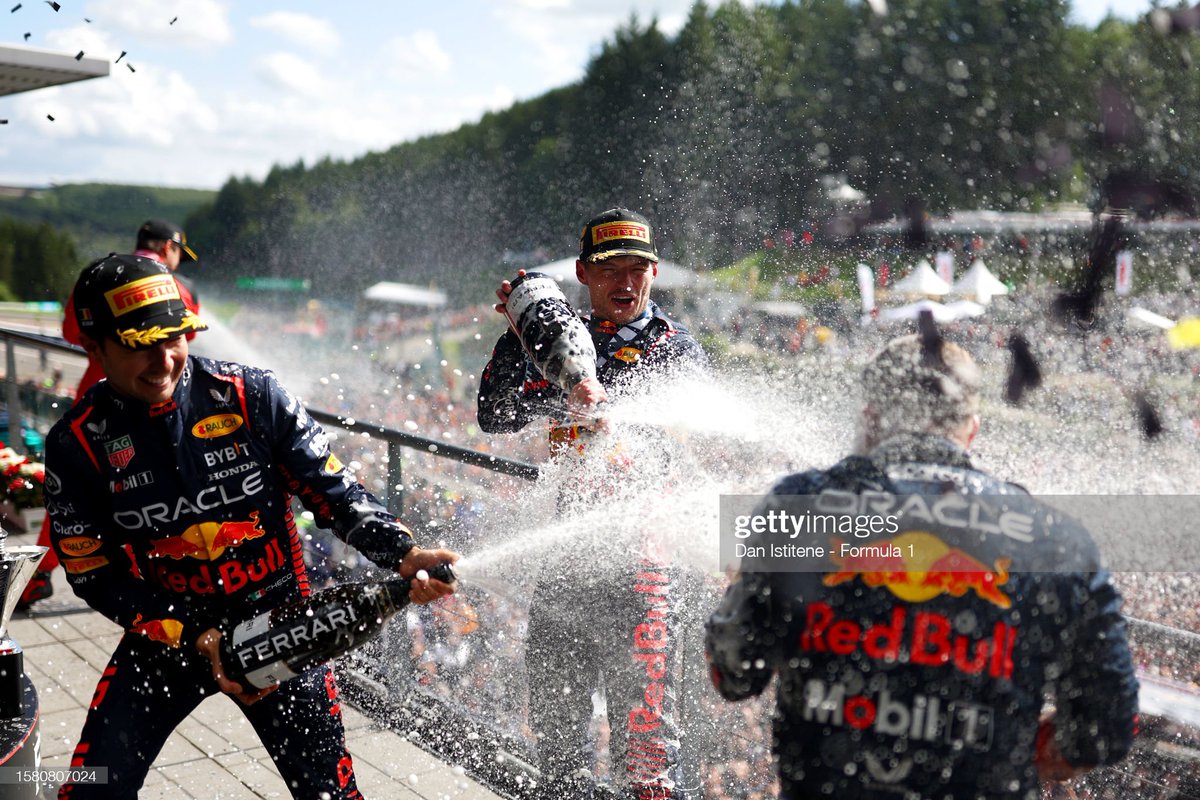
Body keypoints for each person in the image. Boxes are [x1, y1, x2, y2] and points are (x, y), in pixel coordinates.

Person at [43, 254, 458, 799]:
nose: (163, 360)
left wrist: (402, 552)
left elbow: (333, 491)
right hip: (169, 634)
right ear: (93, 349)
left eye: (174, 337)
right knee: (92, 790)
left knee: (330, 795)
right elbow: (93, 574)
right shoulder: (75, 444)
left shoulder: (252, 394)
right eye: (138, 344)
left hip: (281, 624)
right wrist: (196, 635)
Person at [704, 330, 1139, 799]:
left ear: (869, 420)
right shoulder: (1057, 540)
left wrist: (744, 587)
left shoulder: (799, 506)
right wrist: (1044, 742)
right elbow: (1106, 727)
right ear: (971, 428)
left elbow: (734, 671)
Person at [478, 208, 708, 799]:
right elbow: (495, 416)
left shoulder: (676, 347)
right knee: (557, 754)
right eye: (609, 270)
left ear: (655, 272)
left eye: (637, 268)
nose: (624, 282)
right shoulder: (559, 337)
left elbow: (662, 438)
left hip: (646, 576)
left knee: (651, 761)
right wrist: (520, 327)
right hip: (565, 568)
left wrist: (587, 389)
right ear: (583, 273)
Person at [19, 219, 202, 610]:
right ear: (167, 247)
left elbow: (71, 332)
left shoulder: (94, 280)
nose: (179, 263)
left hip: (95, 397)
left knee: (76, 492)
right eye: (178, 254)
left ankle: (39, 575)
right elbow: (183, 343)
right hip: (155, 403)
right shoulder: (177, 288)